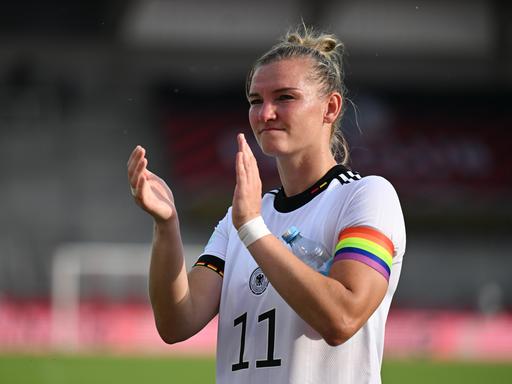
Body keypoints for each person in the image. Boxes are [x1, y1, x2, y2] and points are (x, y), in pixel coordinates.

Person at [127, 25, 405, 384]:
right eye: (256, 101)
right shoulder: (241, 218)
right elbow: (176, 322)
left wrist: (253, 229)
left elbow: (342, 319)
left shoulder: (366, 196)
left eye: (285, 97)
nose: (265, 113)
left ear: (330, 107)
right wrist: (166, 226)